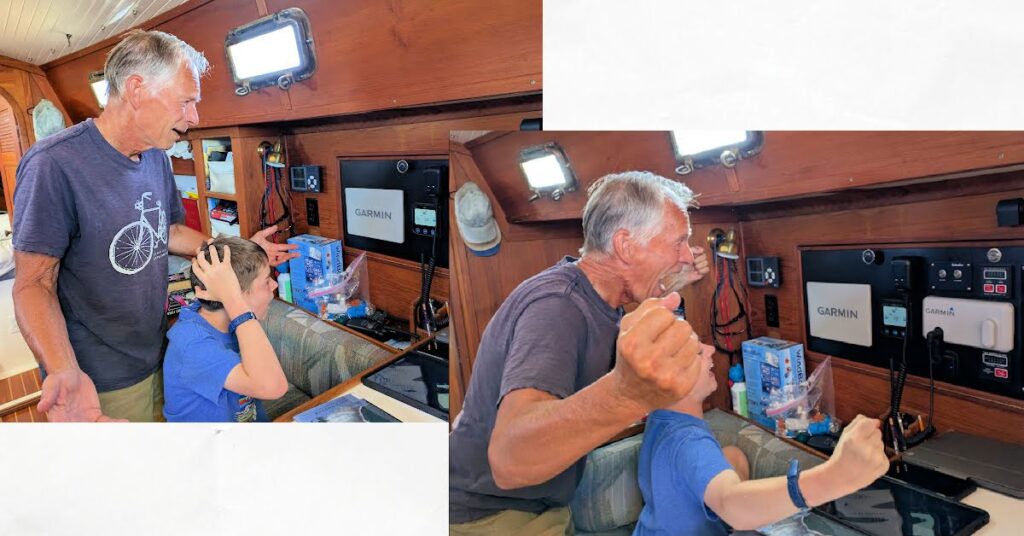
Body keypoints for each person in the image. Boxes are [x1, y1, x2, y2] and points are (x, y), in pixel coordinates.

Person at [11, 30, 297, 422]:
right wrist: (64, 370)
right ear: (136, 89)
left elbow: (169, 232)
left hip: (156, 347)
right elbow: (33, 284)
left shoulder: (155, 156)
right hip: (99, 373)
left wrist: (239, 254)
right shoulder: (53, 163)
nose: (194, 117)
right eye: (186, 101)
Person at [449, 171, 711, 534]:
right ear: (626, 246)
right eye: (679, 242)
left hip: (534, 506)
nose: (686, 256)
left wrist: (671, 281)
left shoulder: (595, 299)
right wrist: (629, 395)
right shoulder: (559, 307)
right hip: (491, 516)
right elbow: (510, 459)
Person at [634, 349, 889, 534]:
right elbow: (730, 502)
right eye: (697, 351)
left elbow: (718, 469)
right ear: (672, 379)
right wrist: (834, 477)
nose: (710, 349)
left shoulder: (661, 418)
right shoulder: (691, 442)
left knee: (733, 454)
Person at [163, 237, 286, 422]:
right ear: (233, 295)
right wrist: (235, 301)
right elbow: (273, 387)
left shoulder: (231, 322)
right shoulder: (193, 345)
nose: (275, 285)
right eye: (267, 281)